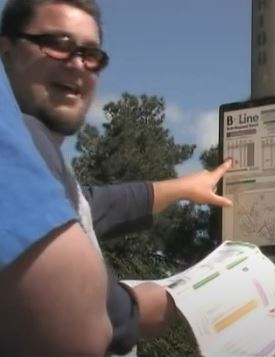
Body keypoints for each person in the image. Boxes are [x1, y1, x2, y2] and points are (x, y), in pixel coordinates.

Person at [0, 0, 233, 355]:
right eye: (58, 45)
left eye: (90, 53)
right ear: (7, 48)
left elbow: (91, 204)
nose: (77, 64)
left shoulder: (42, 164)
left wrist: (185, 187)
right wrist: (139, 309)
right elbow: (76, 322)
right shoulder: (20, 135)